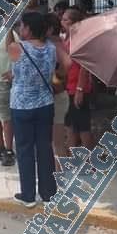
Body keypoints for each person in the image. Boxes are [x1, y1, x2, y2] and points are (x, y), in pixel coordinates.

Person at [7, 12, 58, 208]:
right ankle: (48, 193)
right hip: (45, 104)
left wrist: (7, 29)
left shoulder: (16, 48)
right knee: (45, 148)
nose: (20, 29)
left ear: (28, 29)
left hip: (22, 106)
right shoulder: (51, 49)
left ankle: (28, 195)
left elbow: (9, 49)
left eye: (22, 26)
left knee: (25, 149)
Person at [60, 8, 93, 149]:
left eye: (65, 20)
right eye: (62, 19)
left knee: (82, 127)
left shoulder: (79, 40)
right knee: (70, 125)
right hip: (67, 86)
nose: (62, 22)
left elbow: (83, 67)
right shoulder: (65, 38)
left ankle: (89, 160)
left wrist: (80, 89)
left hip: (78, 88)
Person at [45, 12, 69, 170]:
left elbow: (66, 66)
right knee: (57, 141)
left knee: (56, 141)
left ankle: (58, 174)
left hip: (56, 95)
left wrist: (57, 77)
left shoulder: (52, 45)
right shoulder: (57, 42)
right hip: (59, 95)